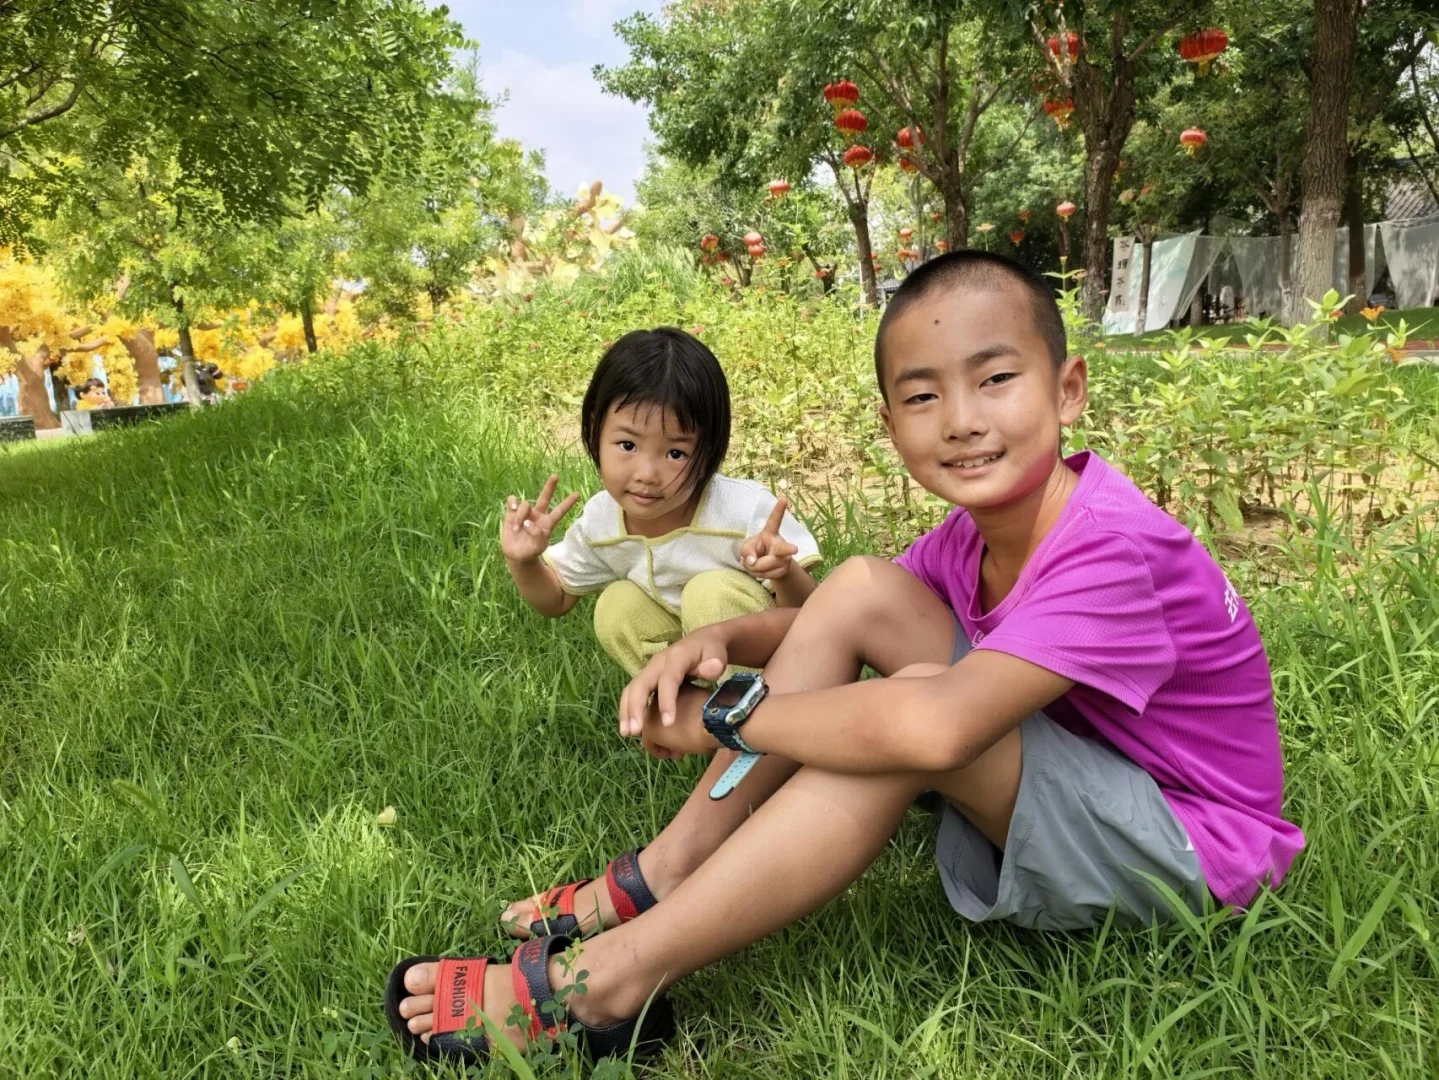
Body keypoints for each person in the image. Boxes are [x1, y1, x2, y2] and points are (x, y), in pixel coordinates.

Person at [385, 252, 1305, 1066]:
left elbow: (936, 726)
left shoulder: (1110, 546)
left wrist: (726, 713)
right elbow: (832, 613)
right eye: (921, 395)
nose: (959, 420)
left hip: (1192, 854)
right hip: (1097, 781)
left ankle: (610, 984)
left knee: (906, 714)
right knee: (864, 584)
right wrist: (724, 639)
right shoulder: (972, 536)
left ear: (1066, 391)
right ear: (890, 419)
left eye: (994, 379)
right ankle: (664, 872)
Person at [500, 326, 821, 684]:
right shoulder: (603, 520)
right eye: (627, 445)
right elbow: (555, 599)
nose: (648, 474)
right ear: (595, 430)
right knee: (616, 605)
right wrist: (523, 561)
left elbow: (809, 615)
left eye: (675, 453)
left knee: (707, 594)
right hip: (696, 653)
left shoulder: (743, 511)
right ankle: (682, 712)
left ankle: (750, 721)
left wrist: (784, 571)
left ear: (711, 451)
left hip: (777, 663)